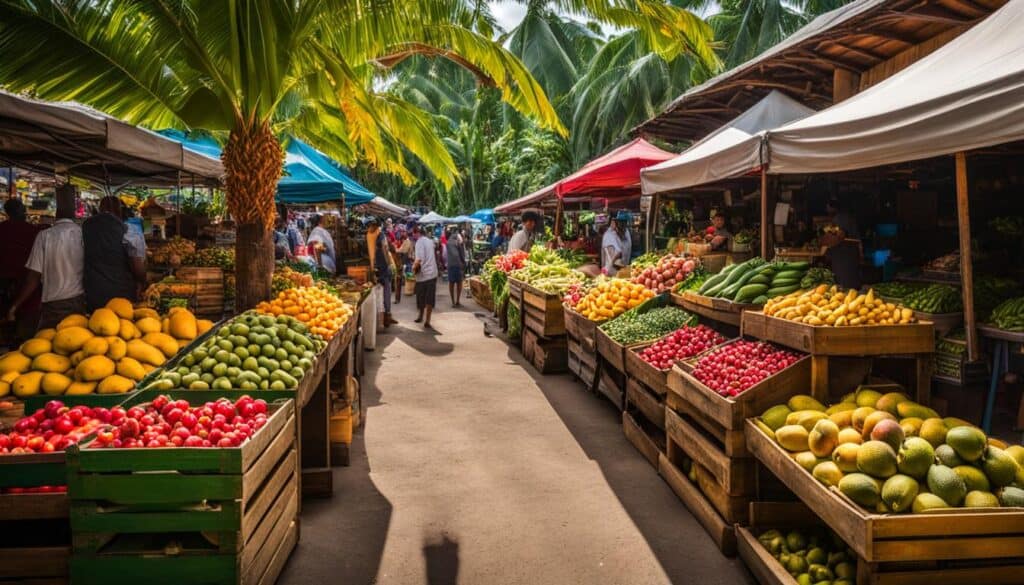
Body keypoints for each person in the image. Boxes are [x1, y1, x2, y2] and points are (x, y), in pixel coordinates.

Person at [7, 184, 86, 329]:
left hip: (54, 305)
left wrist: (14, 306)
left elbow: (33, 278)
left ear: (56, 213)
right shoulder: (83, 235)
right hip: (80, 302)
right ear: (74, 212)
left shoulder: (45, 236)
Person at [82, 196, 145, 309]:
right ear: (119, 210)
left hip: (93, 292)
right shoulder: (129, 230)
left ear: (100, 208)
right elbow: (137, 265)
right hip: (122, 293)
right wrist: (143, 281)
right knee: (122, 324)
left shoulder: (85, 227)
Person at [0, 198, 45, 339]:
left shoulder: (2, 229)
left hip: (5, 283)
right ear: (22, 211)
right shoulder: (34, 231)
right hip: (27, 283)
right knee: (25, 326)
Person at [825, 197, 862, 289]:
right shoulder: (848, 217)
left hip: (843, 253)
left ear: (833, 208)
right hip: (850, 252)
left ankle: (847, 293)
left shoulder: (839, 219)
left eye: (828, 207)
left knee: (844, 276)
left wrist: (826, 241)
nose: (827, 210)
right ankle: (853, 291)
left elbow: (838, 235)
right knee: (851, 274)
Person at [366, 218, 397, 327]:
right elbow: (385, 248)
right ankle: (387, 317)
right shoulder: (380, 234)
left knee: (377, 293)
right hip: (383, 267)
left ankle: (381, 317)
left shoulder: (369, 235)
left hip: (375, 267)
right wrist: (390, 264)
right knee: (386, 292)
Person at [412, 225, 438, 329]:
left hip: (423, 275)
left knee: (421, 297)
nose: (413, 235)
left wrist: (413, 269)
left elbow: (419, 259)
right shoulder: (430, 241)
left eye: (413, 233)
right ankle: (427, 320)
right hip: (432, 274)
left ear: (417, 233)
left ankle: (421, 316)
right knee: (429, 299)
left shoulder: (419, 243)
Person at [445, 226, 466, 306]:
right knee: (459, 282)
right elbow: (461, 253)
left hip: (450, 264)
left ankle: (453, 301)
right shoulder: (458, 240)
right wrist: (463, 262)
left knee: (451, 282)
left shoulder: (448, 242)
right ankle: (457, 301)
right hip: (458, 264)